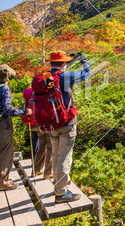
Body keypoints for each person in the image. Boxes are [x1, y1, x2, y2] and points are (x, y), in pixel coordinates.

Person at [47, 51, 90, 203]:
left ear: (51, 63)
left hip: (51, 123)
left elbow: (61, 69)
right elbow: (87, 73)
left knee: (55, 155)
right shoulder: (66, 77)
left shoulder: (46, 78)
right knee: (64, 157)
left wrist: (70, 61)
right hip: (66, 123)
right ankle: (61, 193)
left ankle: (58, 186)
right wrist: (83, 60)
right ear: (63, 64)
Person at [0, 64, 32, 191]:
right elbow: (6, 109)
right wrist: (24, 112)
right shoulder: (5, 89)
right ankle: (3, 182)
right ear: (8, 77)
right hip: (3, 124)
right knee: (6, 152)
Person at [23, 88, 52, 179]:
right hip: (45, 126)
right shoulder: (44, 97)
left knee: (41, 146)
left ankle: (36, 170)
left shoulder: (29, 100)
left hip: (37, 125)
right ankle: (48, 172)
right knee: (50, 147)